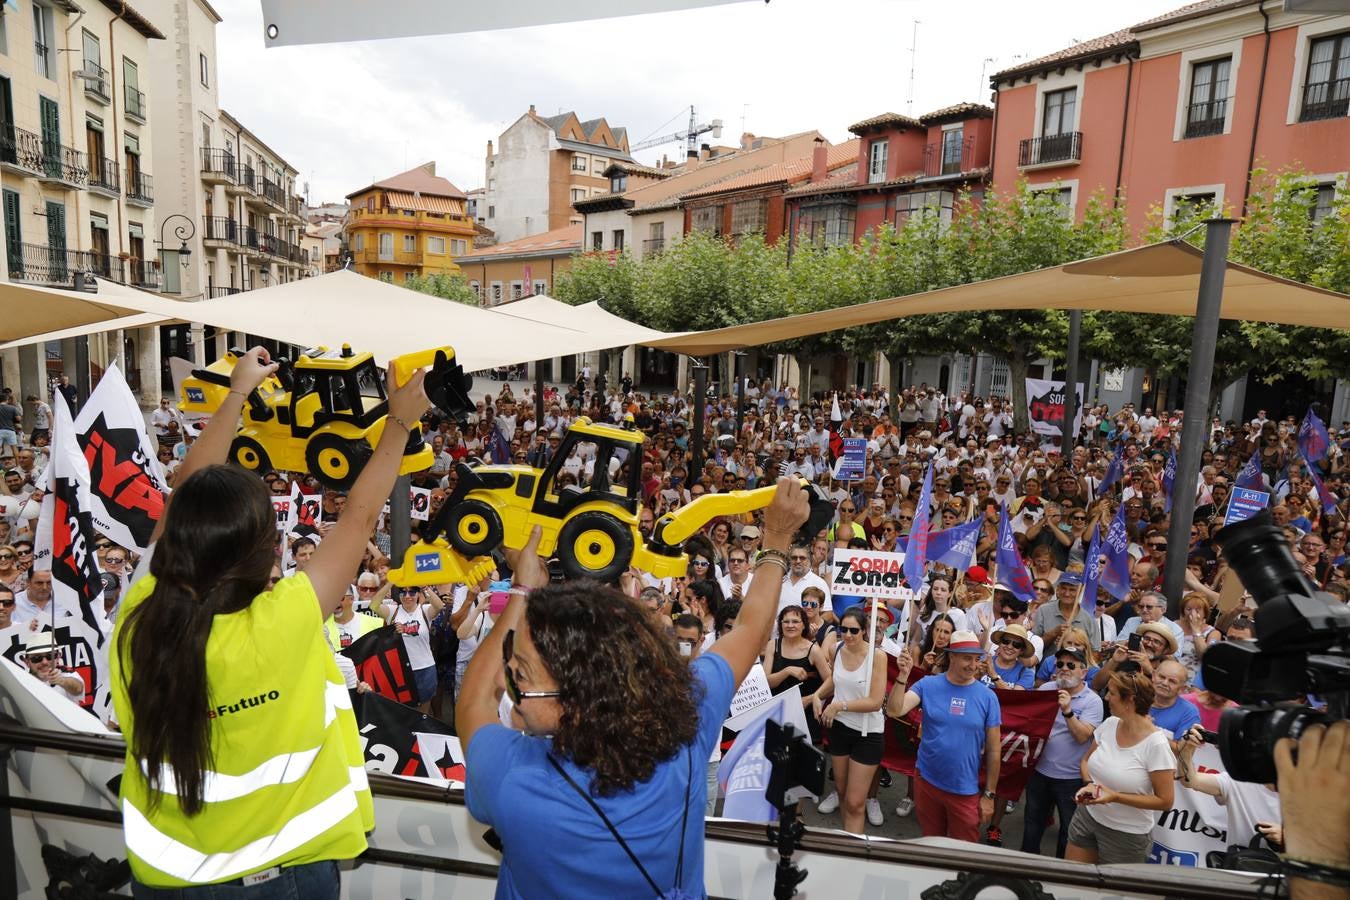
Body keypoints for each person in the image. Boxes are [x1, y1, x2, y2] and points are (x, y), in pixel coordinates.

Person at [110, 346, 428, 895]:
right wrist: (399, 420)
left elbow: (186, 492)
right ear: (264, 552)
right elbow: (358, 515)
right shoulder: (287, 617)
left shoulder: (138, 616)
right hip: (281, 879)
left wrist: (237, 392)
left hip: (168, 878)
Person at [456, 478, 810, 898]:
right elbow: (751, 629)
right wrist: (778, 538)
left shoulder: (517, 781)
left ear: (581, 700)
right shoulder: (687, 719)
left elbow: (476, 700)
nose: (509, 697)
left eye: (522, 681)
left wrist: (524, 587)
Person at [886, 630, 1001, 843]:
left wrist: (989, 795)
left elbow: (994, 750)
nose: (973, 665)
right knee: (932, 845)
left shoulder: (988, 697)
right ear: (951, 657)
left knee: (963, 854)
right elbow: (894, 710)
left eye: (977, 659)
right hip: (927, 781)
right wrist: (902, 676)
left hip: (965, 790)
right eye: (967, 658)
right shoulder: (927, 685)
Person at [1066, 669, 1175, 865]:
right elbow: (1085, 761)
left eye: (1112, 693)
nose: (1106, 697)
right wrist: (1090, 784)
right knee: (1073, 885)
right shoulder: (1110, 723)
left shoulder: (1157, 745)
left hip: (1126, 836)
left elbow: (1165, 801)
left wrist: (1115, 797)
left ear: (1129, 700)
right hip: (1087, 818)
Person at [812, 604, 888, 835]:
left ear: (865, 630)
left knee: (856, 802)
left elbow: (875, 701)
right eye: (843, 629)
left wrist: (838, 705)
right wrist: (817, 695)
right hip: (840, 729)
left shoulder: (877, 656)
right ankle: (847, 845)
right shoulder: (837, 648)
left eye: (854, 630)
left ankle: (854, 854)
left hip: (868, 733)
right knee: (843, 794)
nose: (848, 635)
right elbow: (835, 680)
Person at [1021, 647, 1103, 858]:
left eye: (1071, 665)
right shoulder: (1046, 689)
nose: (1064, 669)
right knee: (1032, 823)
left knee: (1068, 831)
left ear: (1083, 672)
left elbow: (1082, 736)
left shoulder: (1093, 701)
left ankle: (1059, 873)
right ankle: (1024, 868)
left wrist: (1067, 710)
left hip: (1071, 778)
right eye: (1060, 665)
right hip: (1039, 772)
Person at [1148, 658, 1202, 751]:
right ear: (1153, 675)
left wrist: (1149, 729)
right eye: (1161, 677)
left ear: (1182, 688)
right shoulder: (1137, 696)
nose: (1164, 683)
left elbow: (1181, 751)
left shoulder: (1189, 712)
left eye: (1172, 681)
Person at [20, 629, 84, 702]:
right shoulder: (20, 681)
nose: (44, 662)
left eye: (50, 655)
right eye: (37, 658)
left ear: (58, 656)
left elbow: (78, 689)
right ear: (27, 662)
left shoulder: (66, 672)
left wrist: (62, 681)